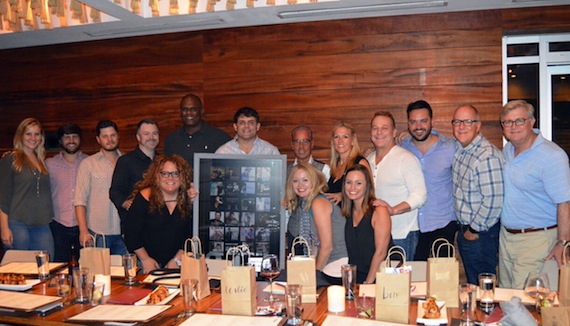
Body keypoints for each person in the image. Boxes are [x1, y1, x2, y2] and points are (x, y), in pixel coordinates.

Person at [499, 100, 570, 289]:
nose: (513, 127)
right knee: (506, 297)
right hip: (506, 238)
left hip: (536, 240)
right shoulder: (507, 150)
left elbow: (564, 202)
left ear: (532, 122)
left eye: (519, 121)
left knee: (524, 302)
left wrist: (562, 242)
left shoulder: (552, 156)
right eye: (507, 122)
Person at [451, 104, 503, 285]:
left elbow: (493, 201)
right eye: (457, 122)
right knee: (474, 286)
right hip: (468, 230)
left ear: (478, 125)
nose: (461, 126)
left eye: (468, 122)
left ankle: (487, 314)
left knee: (483, 289)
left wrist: (473, 230)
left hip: (481, 234)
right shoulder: (461, 149)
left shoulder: (486, 156)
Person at [400, 101, 457, 261]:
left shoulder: (450, 147)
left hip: (443, 223)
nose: (418, 126)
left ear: (432, 121)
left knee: (443, 278)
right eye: (413, 122)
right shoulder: (402, 149)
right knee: (415, 278)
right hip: (413, 225)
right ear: (408, 124)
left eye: (423, 121)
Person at [367, 112, 426, 260]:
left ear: (394, 133)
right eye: (375, 128)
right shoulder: (368, 160)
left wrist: (393, 210)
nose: (379, 132)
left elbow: (420, 196)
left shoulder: (406, 159)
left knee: (400, 282)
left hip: (401, 235)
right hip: (375, 234)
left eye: (384, 128)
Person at [124, 155, 193, 273]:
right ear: (157, 176)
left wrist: (176, 260)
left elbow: (190, 234)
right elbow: (130, 233)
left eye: (175, 173)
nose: (170, 178)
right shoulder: (145, 197)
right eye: (164, 173)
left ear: (182, 177)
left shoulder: (189, 199)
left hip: (178, 263)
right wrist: (145, 259)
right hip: (147, 263)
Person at [0, 118, 55, 257]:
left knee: (45, 267)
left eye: (37, 134)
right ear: (20, 136)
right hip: (17, 223)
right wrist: (4, 228)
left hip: (42, 223)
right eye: (28, 134)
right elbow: (3, 197)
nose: (33, 138)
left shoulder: (42, 161)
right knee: (20, 271)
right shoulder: (10, 159)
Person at [285, 163, 347, 284]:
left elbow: (327, 247)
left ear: (314, 182)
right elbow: (315, 245)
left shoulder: (318, 203)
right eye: (295, 181)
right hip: (329, 263)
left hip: (337, 264)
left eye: (305, 180)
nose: (300, 185)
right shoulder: (306, 204)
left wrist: (312, 277)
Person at [74, 120, 127, 255]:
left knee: (124, 274)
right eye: (105, 136)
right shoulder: (88, 164)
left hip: (124, 233)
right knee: (98, 274)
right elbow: (80, 200)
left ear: (118, 136)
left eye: (113, 135)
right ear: (98, 139)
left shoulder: (128, 162)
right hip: (97, 233)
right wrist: (83, 231)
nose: (110, 139)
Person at [342, 164, 392, 284]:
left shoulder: (379, 210)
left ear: (367, 186)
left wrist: (368, 283)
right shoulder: (348, 211)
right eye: (349, 182)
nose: (352, 187)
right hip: (358, 277)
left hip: (381, 277)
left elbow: (381, 253)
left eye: (358, 183)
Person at [46, 123, 88, 262]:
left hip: (85, 225)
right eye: (67, 137)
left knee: (86, 267)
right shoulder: (49, 164)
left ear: (80, 139)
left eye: (75, 137)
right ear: (60, 141)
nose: (71, 141)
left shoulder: (89, 162)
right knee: (59, 266)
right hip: (58, 225)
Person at [110, 119, 159, 232]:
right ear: (138, 137)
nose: (151, 137)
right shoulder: (125, 161)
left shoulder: (162, 161)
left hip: (158, 224)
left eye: (155, 133)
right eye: (146, 134)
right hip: (135, 224)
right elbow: (114, 191)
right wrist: (124, 203)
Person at [164, 94, 231, 165]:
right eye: (185, 110)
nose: (188, 113)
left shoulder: (219, 138)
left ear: (201, 112)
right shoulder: (172, 140)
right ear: (180, 113)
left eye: (193, 109)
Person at [326, 122, 370, 205]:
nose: (340, 141)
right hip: (337, 215)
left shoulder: (360, 162)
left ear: (352, 141)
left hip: (354, 215)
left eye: (345, 137)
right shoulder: (335, 166)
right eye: (336, 137)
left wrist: (343, 196)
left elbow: (368, 191)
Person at [215, 107, 280, 155]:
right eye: (242, 123)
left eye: (251, 122)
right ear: (235, 127)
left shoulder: (270, 152)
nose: (246, 126)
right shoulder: (223, 152)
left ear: (258, 126)